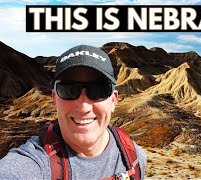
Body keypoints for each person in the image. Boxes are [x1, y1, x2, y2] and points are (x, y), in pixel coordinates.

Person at [0, 45, 146, 179]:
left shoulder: (134, 158)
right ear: (54, 99)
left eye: (98, 90)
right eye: (69, 90)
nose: (83, 107)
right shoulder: (31, 164)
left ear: (113, 100)